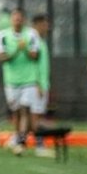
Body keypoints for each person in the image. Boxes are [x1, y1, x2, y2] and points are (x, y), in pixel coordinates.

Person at [0, 7, 40, 156]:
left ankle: (21, 141)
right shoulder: (3, 36)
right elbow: (2, 58)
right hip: (11, 81)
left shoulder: (31, 34)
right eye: (15, 18)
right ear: (11, 20)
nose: (17, 20)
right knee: (16, 112)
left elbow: (35, 56)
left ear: (24, 20)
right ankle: (17, 137)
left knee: (25, 109)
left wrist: (25, 49)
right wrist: (16, 51)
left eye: (20, 18)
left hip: (29, 80)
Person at [30, 13, 55, 158]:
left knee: (39, 114)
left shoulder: (41, 41)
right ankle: (39, 144)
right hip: (37, 84)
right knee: (36, 114)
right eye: (45, 24)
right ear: (38, 24)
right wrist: (37, 83)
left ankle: (19, 139)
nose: (47, 27)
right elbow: (32, 64)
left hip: (43, 83)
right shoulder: (33, 40)